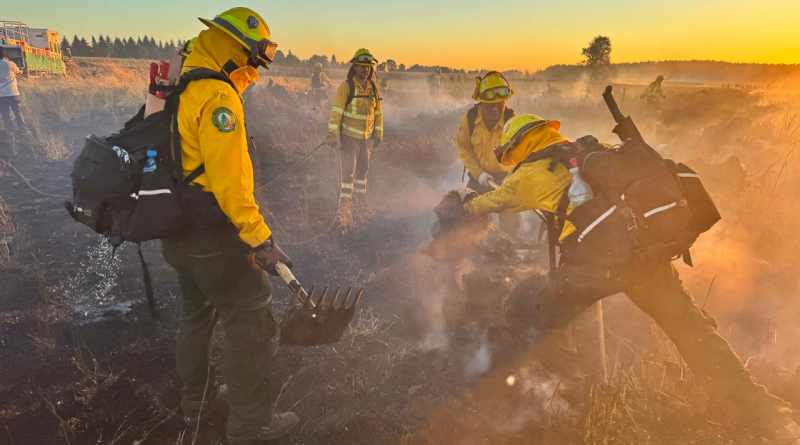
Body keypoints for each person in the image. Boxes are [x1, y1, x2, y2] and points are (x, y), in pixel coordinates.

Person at [457, 113, 800, 442]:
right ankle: (768, 416)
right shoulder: (591, 151)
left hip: (592, 269)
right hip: (646, 259)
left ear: (517, 147)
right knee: (693, 333)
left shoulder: (531, 174)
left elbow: (488, 203)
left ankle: (487, 393)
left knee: (531, 316)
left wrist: (465, 204)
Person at [160, 7, 298, 443]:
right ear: (236, 50)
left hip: (177, 232)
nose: (253, 70)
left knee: (195, 317)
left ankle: (196, 405)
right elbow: (231, 186)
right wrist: (261, 240)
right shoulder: (218, 98)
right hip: (213, 237)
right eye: (253, 60)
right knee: (251, 320)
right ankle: (251, 424)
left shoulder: (180, 85)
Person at [456, 71, 520, 238]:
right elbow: (464, 149)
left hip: (505, 180)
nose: (495, 109)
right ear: (481, 103)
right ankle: (474, 246)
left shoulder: (512, 121)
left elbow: (520, 156)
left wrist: (511, 180)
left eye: (500, 104)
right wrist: (479, 174)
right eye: (490, 105)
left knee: (510, 224)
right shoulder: (470, 119)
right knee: (469, 219)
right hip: (478, 178)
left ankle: (508, 244)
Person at [326, 48, 383, 226]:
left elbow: (378, 113)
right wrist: (332, 135)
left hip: (366, 140)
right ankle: (343, 213)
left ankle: (360, 207)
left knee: (362, 173)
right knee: (348, 175)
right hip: (349, 138)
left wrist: (378, 133)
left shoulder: (373, 88)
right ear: (355, 68)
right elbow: (336, 112)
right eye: (361, 66)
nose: (365, 70)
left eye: (368, 67)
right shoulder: (346, 87)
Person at [0, 47, 27, 133]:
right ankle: (23, 130)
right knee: (18, 113)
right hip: (13, 93)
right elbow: (18, 72)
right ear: (4, 54)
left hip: (2, 95)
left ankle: (10, 132)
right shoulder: (10, 64)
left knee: (6, 115)